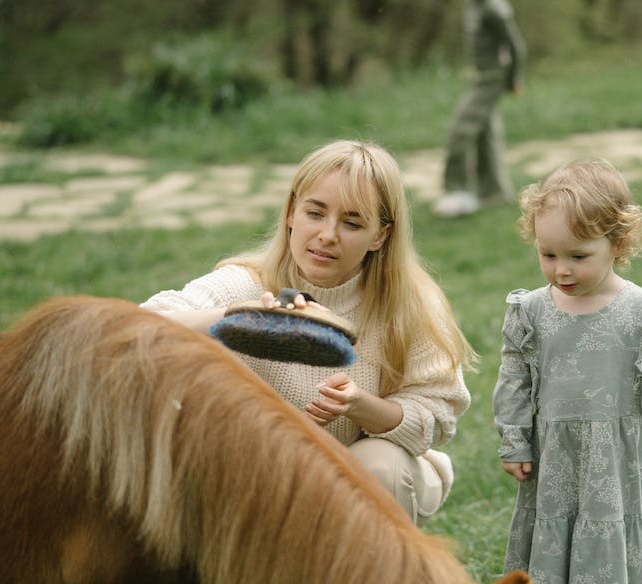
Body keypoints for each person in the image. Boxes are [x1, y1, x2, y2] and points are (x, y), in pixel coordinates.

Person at [141, 139, 477, 525]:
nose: (328, 234)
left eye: (352, 223)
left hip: (365, 471)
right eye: (315, 213)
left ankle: (377, 583)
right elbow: (141, 327)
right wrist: (240, 319)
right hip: (266, 474)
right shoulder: (247, 286)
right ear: (290, 213)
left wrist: (359, 405)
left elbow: (435, 416)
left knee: (379, 465)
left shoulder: (408, 306)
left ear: (380, 236)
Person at [492, 159, 642, 584]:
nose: (561, 269)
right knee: (559, 522)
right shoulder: (530, 311)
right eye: (548, 255)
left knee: (609, 522)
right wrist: (514, 440)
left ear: (618, 242)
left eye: (577, 256)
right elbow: (515, 380)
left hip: (618, 459)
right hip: (555, 454)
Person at [433, 0, 526, 218]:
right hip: (478, 77)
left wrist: (513, 80)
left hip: (492, 78)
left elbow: (516, 46)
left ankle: (458, 192)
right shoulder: (471, 5)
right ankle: (493, 191)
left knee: (460, 131)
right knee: (485, 132)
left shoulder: (494, 9)